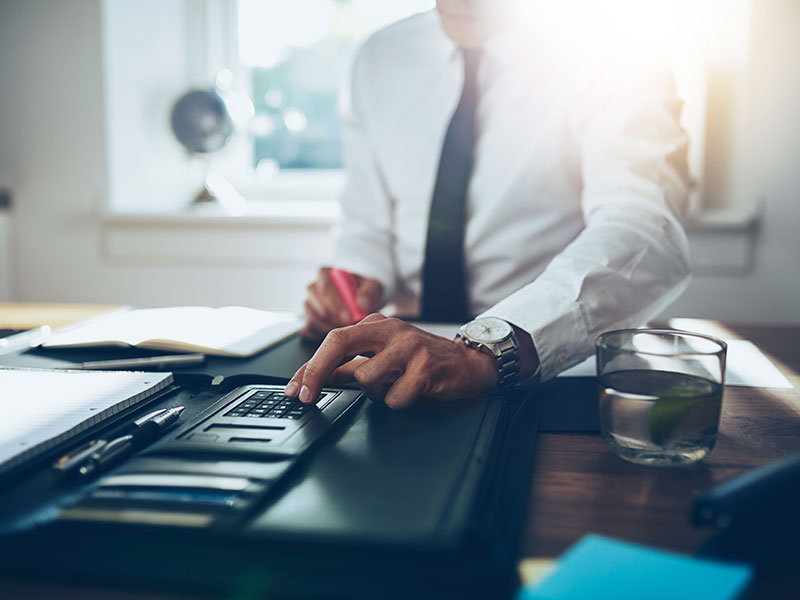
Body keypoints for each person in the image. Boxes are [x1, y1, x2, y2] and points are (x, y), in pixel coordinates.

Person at [285, 0, 691, 409]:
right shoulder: (379, 56)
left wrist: (487, 349)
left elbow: (644, 226)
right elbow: (367, 220)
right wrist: (357, 280)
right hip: (400, 363)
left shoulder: (618, 52)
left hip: (550, 367)